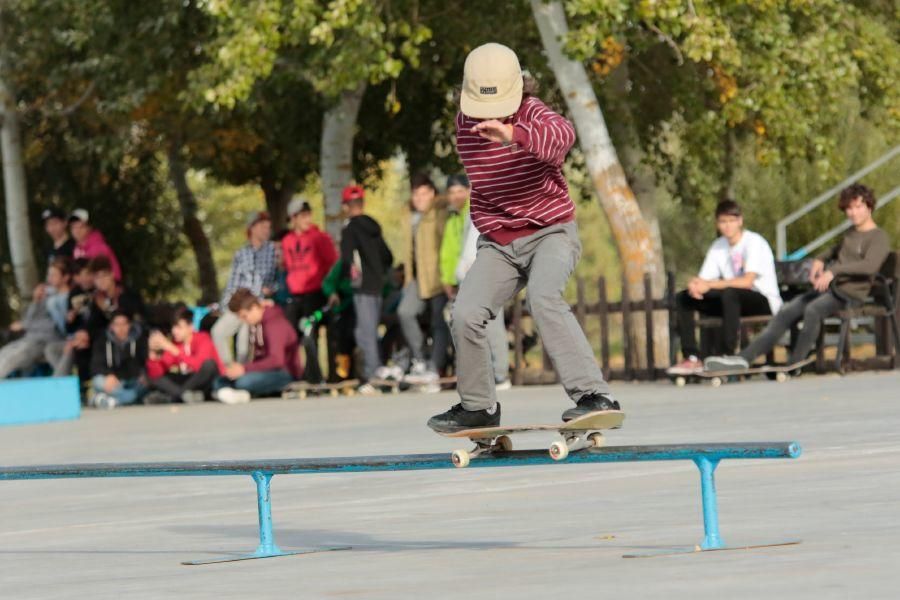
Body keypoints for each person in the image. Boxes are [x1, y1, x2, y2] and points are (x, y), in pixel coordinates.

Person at [428, 43, 619, 433]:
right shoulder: (464, 122)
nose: (490, 116)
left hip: (551, 231)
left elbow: (562, 138)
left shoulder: (532, 111)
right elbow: (487, 182)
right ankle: (478, 407)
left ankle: (593, 396)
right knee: (465, 313)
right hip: (499, 243)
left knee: (543, 298)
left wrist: (514, 133)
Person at [705, 184, 891, 371]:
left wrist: (834, 271)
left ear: (869, 207)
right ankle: (743, 359)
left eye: (858, 207)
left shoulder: (878, 237)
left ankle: (795, 362)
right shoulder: (850, 234)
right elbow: (833, 251)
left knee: (813, 310)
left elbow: (869, 266)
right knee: (787, 311)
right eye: (849, 208)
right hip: (831, 291)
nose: (853, 213)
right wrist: (819, 260)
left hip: (850, 295)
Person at [669, 200, 782, 373]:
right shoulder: (718, 246)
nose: (727, 226)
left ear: (740, 221)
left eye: (731, 221)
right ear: (717, 224)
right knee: (683, 298)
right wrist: (695, 285)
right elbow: (703, 278)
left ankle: (728, 354)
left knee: (731, 293)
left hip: (762, 300)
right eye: (723, 222)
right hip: (731, 303)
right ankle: (692, 357)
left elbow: (747, 282)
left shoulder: (754, 242)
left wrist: (709, 284)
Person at [447, 176, 512, 390]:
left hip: (487, 272)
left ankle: (500, 374)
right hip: (471, 274)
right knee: (473, 324)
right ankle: (488, 374)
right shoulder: (469, 211)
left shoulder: (486, 206)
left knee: (492, 324)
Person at [337, 184, 395, 391]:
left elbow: (345, 260)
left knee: (364, 332)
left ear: (346, 206)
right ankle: (378, 368)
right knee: (370, 328)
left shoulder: (349, 228)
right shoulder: (374, 227)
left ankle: (373, 374)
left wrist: (342, 281)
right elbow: (388, 256)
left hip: (362, 286)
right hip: (378, 285)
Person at [52, 256, 145, 381]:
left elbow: (125, 320)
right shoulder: (98, 297)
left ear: (111, 275)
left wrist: (106, 309)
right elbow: (93, 321)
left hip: (130, 335)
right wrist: (83, 333)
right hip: (107, 337)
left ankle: (61, 383)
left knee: (96, 340)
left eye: (103, 276)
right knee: (80, 345)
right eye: (96, 277)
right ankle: (79, 385)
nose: (100, 281)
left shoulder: (125, 293)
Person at [397, 173, 450, 386]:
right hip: (417, 278)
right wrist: (407, 278)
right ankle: (419, 358)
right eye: (415, 195)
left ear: (432, 193)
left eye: (423, 194)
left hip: (439, 276)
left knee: (439, 322)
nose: (419, 199)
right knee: (405, 312)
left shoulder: (441, 212)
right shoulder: (409, 215)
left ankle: (435, 365)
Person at [281, 197, 338, 383]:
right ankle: (295, 373)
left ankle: (316, 376)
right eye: (302, 216)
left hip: (316, 294)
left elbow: (333, 265)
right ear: (293, 218)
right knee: (290, 334)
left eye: (309, 215)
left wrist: (332, 291)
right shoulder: (287, 241)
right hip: (295, 296)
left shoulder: (319, 238)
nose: (307, 220)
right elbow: (287, 267)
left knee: (309, 330)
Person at [212, 211, 278, 366]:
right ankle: (229, 369)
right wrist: (224, 307)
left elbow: (281, 279)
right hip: (240, 304)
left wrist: (270, 290)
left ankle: (243, 372)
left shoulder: (274, 250)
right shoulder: (241, 253)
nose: (266, 230)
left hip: (258, 306)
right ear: (252, 228)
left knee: (244, 340)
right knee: (218, 332)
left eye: (268, 227)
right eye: (263, 227)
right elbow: (232, 284)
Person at [213, 288, 300, 404]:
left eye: (244, 316)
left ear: (254, 308)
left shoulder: (275, 323)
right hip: (264, 371)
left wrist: (245, 369)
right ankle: (237, 391)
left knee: (244, 382)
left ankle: (240, 392)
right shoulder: (257, 325)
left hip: (284, 373)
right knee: (220, 380)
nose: (243, 320)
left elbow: (276, 360)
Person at [0, 258, 72, 378]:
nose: (50, 279)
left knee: (10, 361)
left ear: (66, 277)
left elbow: (56, 327)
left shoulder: (68, 298)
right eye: (49, 275)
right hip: (30, 338)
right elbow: (30, 319)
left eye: (54, 275)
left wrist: (25, 325)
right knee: (3, 353)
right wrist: (36, 301)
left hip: (47, 340)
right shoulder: (48, 295)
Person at [145, 307, 224, 404]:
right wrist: (152, 355)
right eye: (173, 327)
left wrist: (173, 349)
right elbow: (158, 373)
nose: (174, 331)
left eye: (179, 327)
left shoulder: (203, 338)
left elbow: (199, 365)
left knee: (209, 365)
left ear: (190, 327)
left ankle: (177, 396)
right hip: (188, 382)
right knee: (153, 376)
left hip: (206, 382)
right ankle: (185, 395)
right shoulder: (175, 344)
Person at [89, 310, 148, 409]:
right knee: (97, 381)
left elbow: (144, 362)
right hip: (113, 381)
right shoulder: (102, 340)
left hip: (132, 379)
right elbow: (95, 365)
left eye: (124, 324)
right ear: (111, 326)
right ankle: (122, 399)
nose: (121, 328)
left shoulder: (139, 339)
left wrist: (143, 373)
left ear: (129, 325)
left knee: (143, 386)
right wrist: (109, 375)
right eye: (117, 324)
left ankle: (105, 400)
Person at [68, 208, 123, 282]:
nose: (77, 230)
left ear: (89, 227)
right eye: (73, 227)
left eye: (81, 226)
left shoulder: (99, 247)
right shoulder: (76, 249)